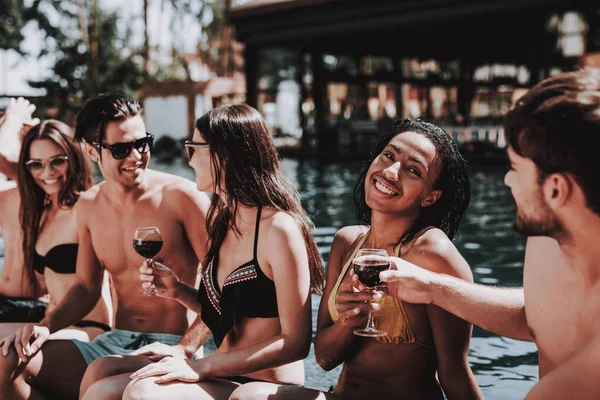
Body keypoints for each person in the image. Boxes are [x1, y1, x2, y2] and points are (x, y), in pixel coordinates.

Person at [378, 68, 600, 399]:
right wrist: (434, 288)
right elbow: (536, 318)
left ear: (556, 189)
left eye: (514, 169)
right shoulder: (548, 241)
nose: (508, 181)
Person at [83, 104, 325, 400]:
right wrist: (179, 291)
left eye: (193, 148)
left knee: (142, 392)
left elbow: (297, 342)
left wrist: (199, 366)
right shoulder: (224, 220)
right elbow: (230, 311)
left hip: (261, 386)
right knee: (100, 378)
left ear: (222, 156)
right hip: (222, 374)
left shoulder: (279, 229)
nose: (188, 160)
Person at [230, 118, 483, 400]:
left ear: (430, 198)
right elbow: (325, 358)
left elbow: (454, 372)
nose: (390, 171)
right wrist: (349, 322)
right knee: (248, 396)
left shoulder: (433, 254)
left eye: (413, 170)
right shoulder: (347, 243)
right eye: (389, 155)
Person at [0, 93, 211, 400]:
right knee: (7, 362)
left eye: (143, 142)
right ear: (91, 150)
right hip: (114, 342)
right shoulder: (89, 205)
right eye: (121, 148)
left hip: (172, 344)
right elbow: (86, 287)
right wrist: (46, 326)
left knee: (103, 386)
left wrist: (186, 348)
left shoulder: (183, 197)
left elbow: (225, 289)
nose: (136, 155)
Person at [0, 119, 112, 343]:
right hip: (49, 324)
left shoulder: (89, 206)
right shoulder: (43, 211)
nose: (47, 172)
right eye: (37, 164)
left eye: (57, 161)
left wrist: (13, 117)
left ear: (74, 159)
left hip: (87, 328)